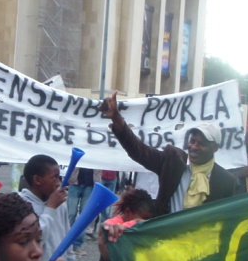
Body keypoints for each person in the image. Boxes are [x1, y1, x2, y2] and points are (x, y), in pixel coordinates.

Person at [100, 91, 238, 214]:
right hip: (165, 238)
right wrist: (116, 117)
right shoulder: (172, 161)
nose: (194, 147)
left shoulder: (225, 181)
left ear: (215, 148)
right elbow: (138, 150)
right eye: (192, 141)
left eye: (201, 144)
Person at [19, 155, 78, 261]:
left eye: (59, 177)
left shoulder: (60, 205)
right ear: (37, 180)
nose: (58, 183)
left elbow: (67, 244)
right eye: (54, 177)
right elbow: (38, 238)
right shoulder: (21, 204)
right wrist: (50, 207)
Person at [67, 167, 101, 255]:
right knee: (71, 213)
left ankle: (77, 246)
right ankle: (67, 242)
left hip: (90, 185)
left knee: (84, 216)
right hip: (74, 182)